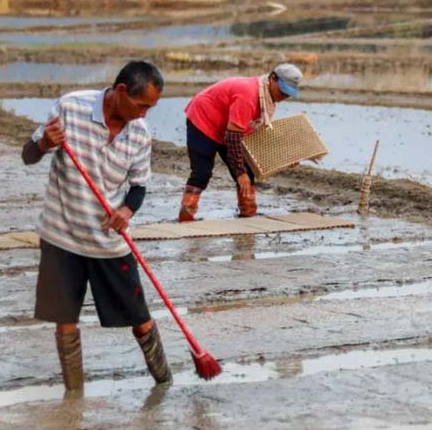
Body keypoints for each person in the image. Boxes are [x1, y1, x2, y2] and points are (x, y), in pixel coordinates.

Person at [22, 61, 171, 391]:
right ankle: (74, 395)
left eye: (150, 108)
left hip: (108, 241)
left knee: (140, 319)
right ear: (121, 91)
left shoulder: (139, 134)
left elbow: (139, 186)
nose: (144, 114)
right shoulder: (70, 108)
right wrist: (45, 143)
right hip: (62, 236)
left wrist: (127, 211)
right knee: (65, 322)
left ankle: (164, 381)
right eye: (141, 105)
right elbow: (28, 155)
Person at [178, 63, 303, 221]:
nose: (284, 96)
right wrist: (239, 172)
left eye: (288, 94)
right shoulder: (248, 95)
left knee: (248, 173)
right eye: (283, 91)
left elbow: (258, 136)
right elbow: (233, 138)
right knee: (202, 172)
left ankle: (248, 214)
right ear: (273, 78)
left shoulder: (267, 101)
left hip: (229, 127)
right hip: (204, 120)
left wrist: (286, 156)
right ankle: (186, 215)